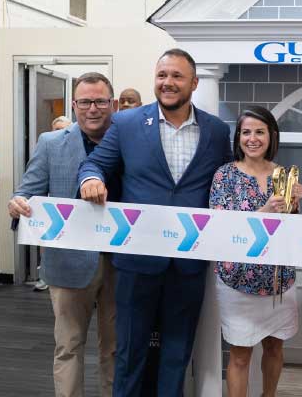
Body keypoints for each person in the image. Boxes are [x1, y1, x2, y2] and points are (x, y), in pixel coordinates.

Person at [79, 49, 232, 397]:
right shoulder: (127, 123)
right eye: (162, 75)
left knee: (177, 354)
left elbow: (227, 183)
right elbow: (95, 164)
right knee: (130, 352)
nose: (168, 83)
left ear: (193, 83)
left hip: (189, 262)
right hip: (136, 261)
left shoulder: (217, 131)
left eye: (177, 76)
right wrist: (89, 179)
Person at [9, 72, 120, 397]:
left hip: (121, 262)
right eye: (85, 102)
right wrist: (17, 205)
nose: (93, 108)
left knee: (115, 349)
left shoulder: (127, 141)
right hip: (68, 263)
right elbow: (26, 192)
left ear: (111, 104)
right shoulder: (50, 143)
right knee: (68, 346)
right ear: (74, 105)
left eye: (100, 101)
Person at [209, 106, 302, 397]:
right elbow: (220, 225)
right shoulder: (224, 175)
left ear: (271, 136)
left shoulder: (283, 175)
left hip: (278, 281)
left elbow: (290, 229)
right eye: (246, 132)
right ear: (238, 137)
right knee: (239, 354)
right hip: (237, 281)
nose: (252, 138)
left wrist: (295, 205)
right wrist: (264, 210)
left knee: (275, 347)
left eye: (259, 132)